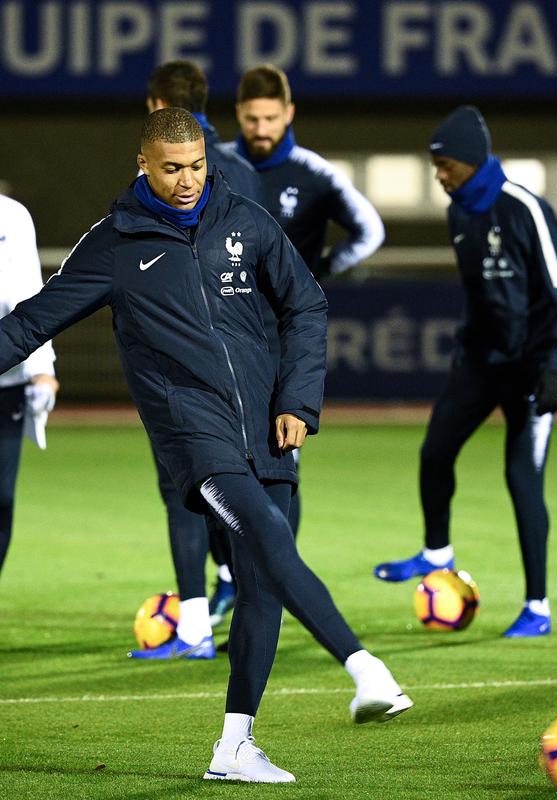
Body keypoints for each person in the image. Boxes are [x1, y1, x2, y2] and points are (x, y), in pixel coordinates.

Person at [0, 108, 413, 782]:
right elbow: (28, 325)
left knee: (260, 582)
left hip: (269, 423)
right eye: (171, 169)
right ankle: (365, 668)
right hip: (192, 428)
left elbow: (306, 305)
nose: (188, 180)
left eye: (196, 166)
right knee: (270, 533)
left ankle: (234, 748)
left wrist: (298, 400)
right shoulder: (112, 245)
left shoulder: (245, 221)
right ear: (144, 166)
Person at [374, 106, 557, 638]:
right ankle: (436, 552)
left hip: (533, 370)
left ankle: (537, 606)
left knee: (522, 481)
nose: (439, 176)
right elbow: (485, 295)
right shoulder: (459, 212)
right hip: (480, 363)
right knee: (435, 453)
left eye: (445, 166)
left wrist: (556, 365)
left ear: (470, 160)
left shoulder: (524, 208)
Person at [129, 61, 265, 659]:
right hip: (245, 361)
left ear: (156, 102)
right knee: (238, 492)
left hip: (182, 365)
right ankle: (240, 610)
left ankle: (193, 632)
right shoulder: (239, 172)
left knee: (182, 489)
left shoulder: (162, 172)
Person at [232, 63, 385, 539]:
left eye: (270, 118)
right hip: (226, 331)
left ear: (289, 113)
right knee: (220, 460)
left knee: (279, 461)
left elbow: (371, 230)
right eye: (252, 119)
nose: (261, 129)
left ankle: (277, 580)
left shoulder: (314, 173)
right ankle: (229, 578)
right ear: (239, 114)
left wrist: (317, 272)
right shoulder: (213, 166)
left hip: (282, 338)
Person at [0, 193, 58, 576]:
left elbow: (29, 293)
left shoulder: (12, 216)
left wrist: (42, 367)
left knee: (1, 499)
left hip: (8, 378)